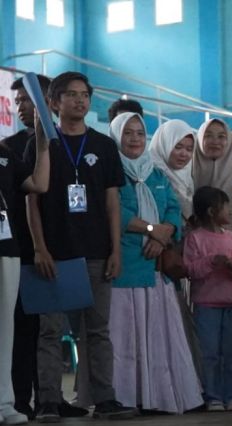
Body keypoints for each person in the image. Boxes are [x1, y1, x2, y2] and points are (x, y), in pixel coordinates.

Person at [25, 71, 136, 422]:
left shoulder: (103, 145)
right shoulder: (42, 142)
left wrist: (116, 250)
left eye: (84, 94)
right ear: (54, 103)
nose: (79, 100)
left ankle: (104, 399)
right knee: (50, 332)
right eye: (70, 95)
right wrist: (40, 248)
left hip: (97, 252)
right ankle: (48, 402)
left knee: (98, 331)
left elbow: (112, 203)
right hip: (54, 255)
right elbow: (32, 202)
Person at [107, 112, 203, 413]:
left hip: (155, 270)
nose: (135, 139)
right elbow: (114, 212)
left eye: (140, 133)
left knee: (158, 338)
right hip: (124, 267)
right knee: (124, 341)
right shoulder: (111, 173)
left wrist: (164, 235)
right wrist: (150, 229)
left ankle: (158, 396)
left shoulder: (155, 174)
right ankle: (125, 398)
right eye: (128, 133)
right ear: (117, 136)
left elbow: (172, 208)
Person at [0, 101, 51, 426]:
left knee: (6, 329)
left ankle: (5, 402)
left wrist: (43, 145)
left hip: (7, 249)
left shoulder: (4, 154)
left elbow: (38, 184)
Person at [183, 186, 232, 412]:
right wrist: (213, 260)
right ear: (212, 211)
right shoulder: (195, 239)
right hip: (206, 304)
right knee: (209, 352)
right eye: (226, 207)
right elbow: (191, 270)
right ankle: (212, 395)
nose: (230, 212)